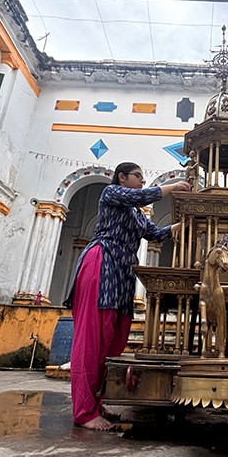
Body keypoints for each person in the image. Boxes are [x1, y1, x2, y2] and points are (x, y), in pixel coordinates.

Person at [64, 163, 192, 429]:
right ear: (122, 177)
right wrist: (172, 188)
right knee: (92, 340)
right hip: (102, 264)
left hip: (122, 274)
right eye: (137, 176)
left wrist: (184, 224)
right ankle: (84, 412)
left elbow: (154, 233)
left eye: (143, 178)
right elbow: (140, 196)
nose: (141, 181)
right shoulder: (111, 193)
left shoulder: (135, 215)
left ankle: (96, 404)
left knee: (111, 341)